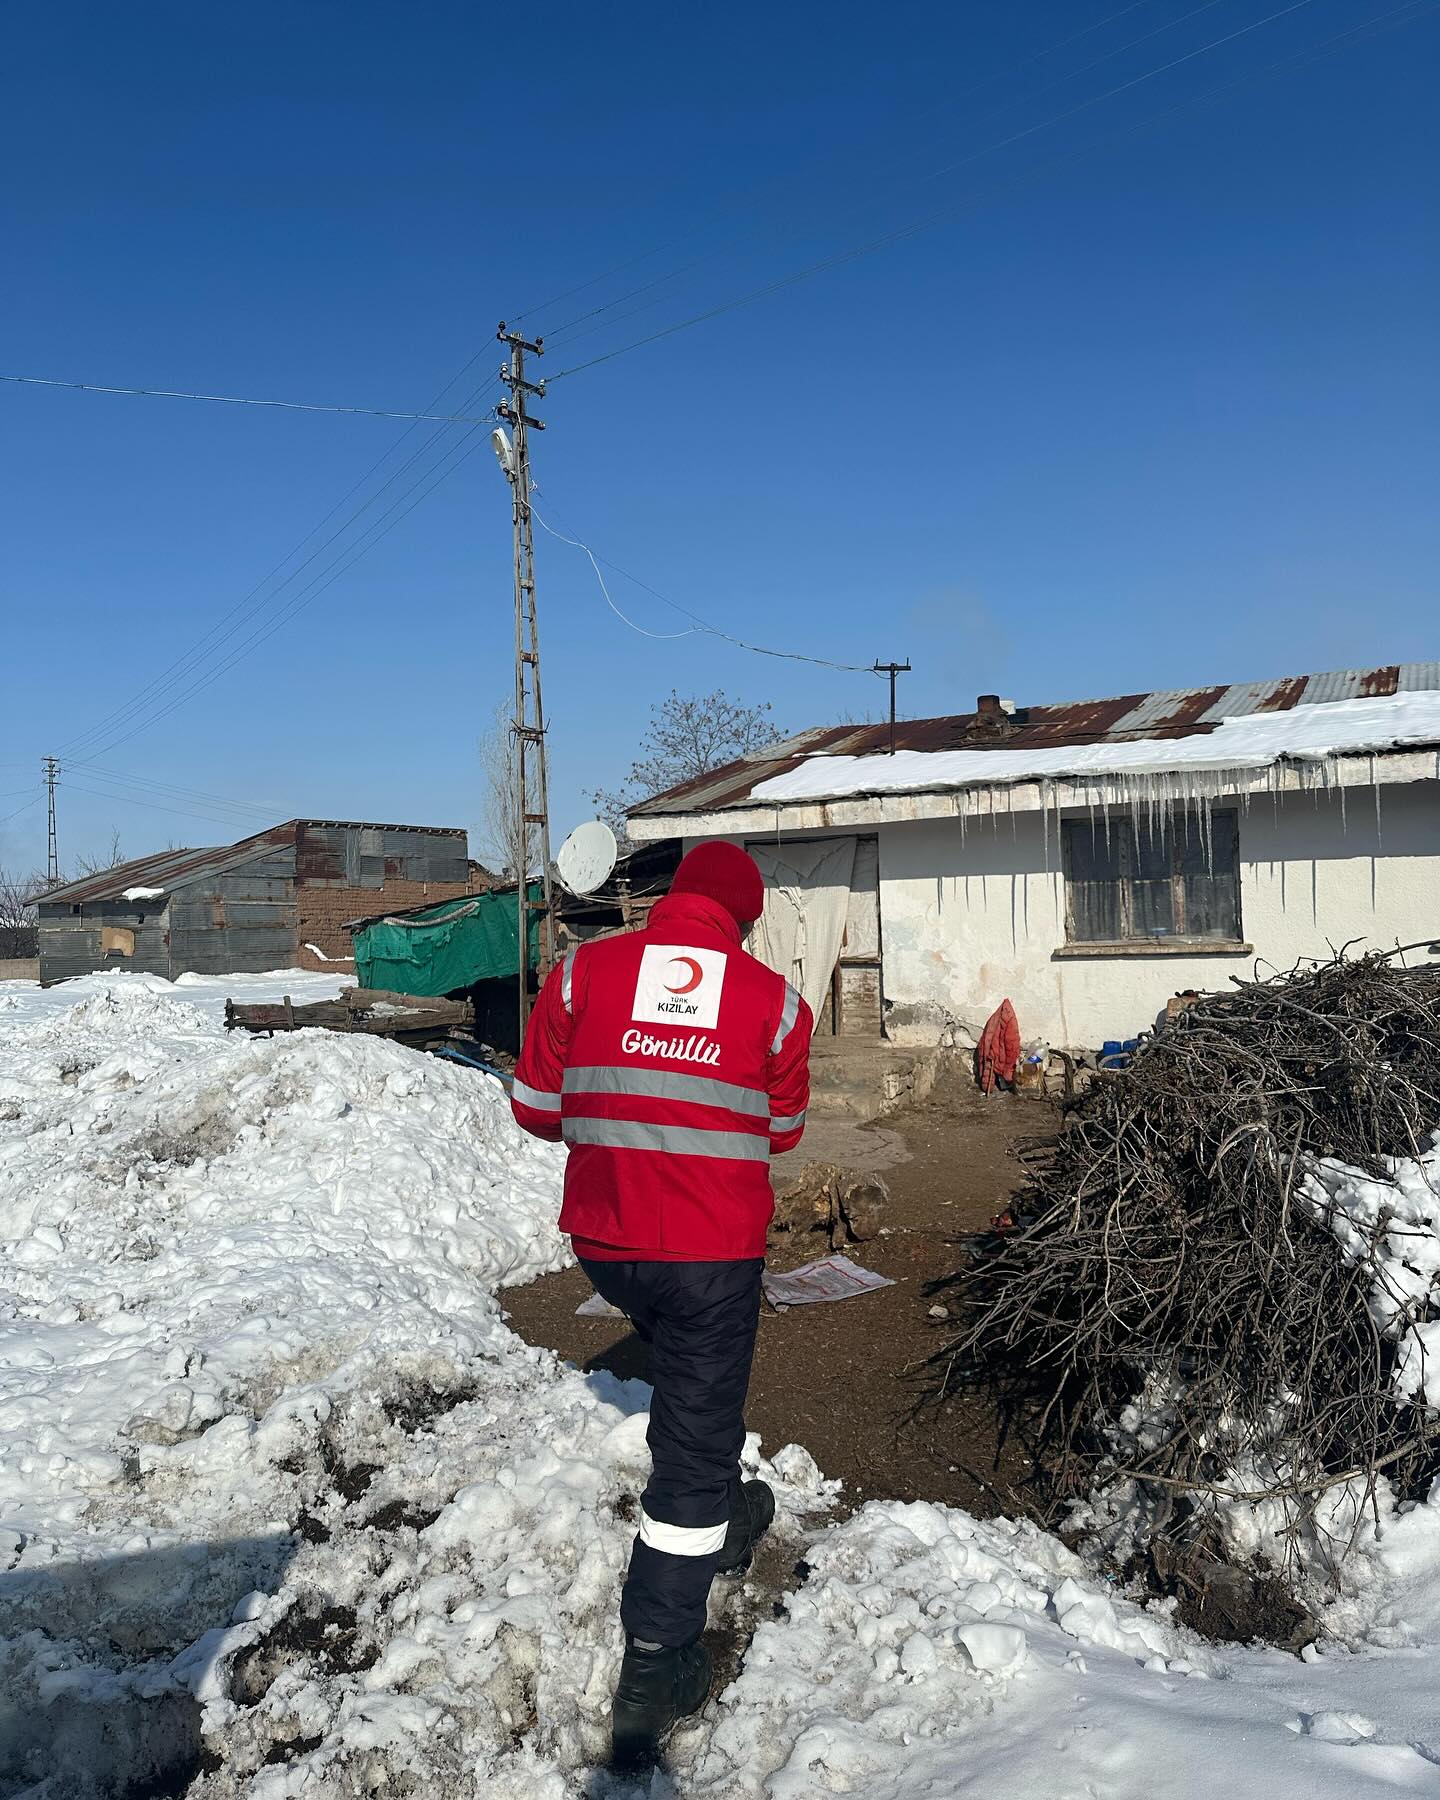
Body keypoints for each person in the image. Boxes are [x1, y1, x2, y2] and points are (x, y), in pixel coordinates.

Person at [511, 840, 813, 1765]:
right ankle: (656, 1666)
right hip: (708, 1259)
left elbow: (532, 1104)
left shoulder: (579, 975)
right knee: (690, 1439)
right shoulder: (776, 1004)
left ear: (671, 902)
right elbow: (786, 1131)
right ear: (744, 920)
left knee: (689, 1390)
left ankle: (725, 1504)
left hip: (605, 1249)